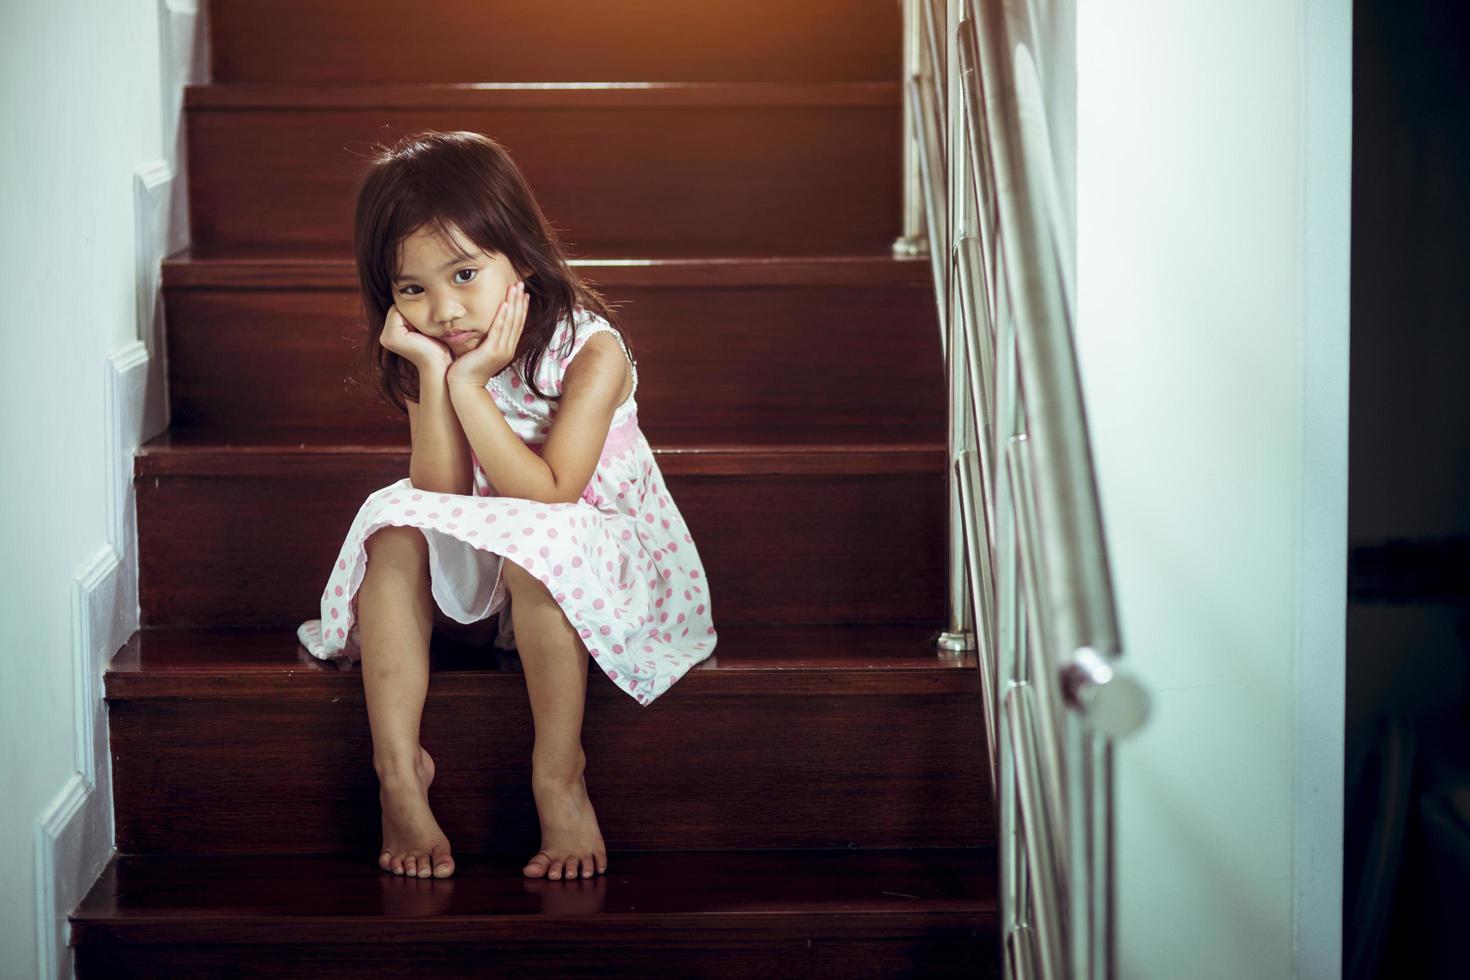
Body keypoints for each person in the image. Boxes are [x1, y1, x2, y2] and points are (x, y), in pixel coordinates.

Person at [295, 130, 718, 882]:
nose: (443, 309)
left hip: (599, 569)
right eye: (411, 288)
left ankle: (559, 776)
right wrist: (434, 371)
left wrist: (468, 386)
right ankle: (398, 774)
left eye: (463, 273)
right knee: (396, 529)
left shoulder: (592, 353)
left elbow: (552, 494)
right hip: (506, 572)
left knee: (535, 550)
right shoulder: (441, 349)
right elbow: (442, 495)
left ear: (519, 257)